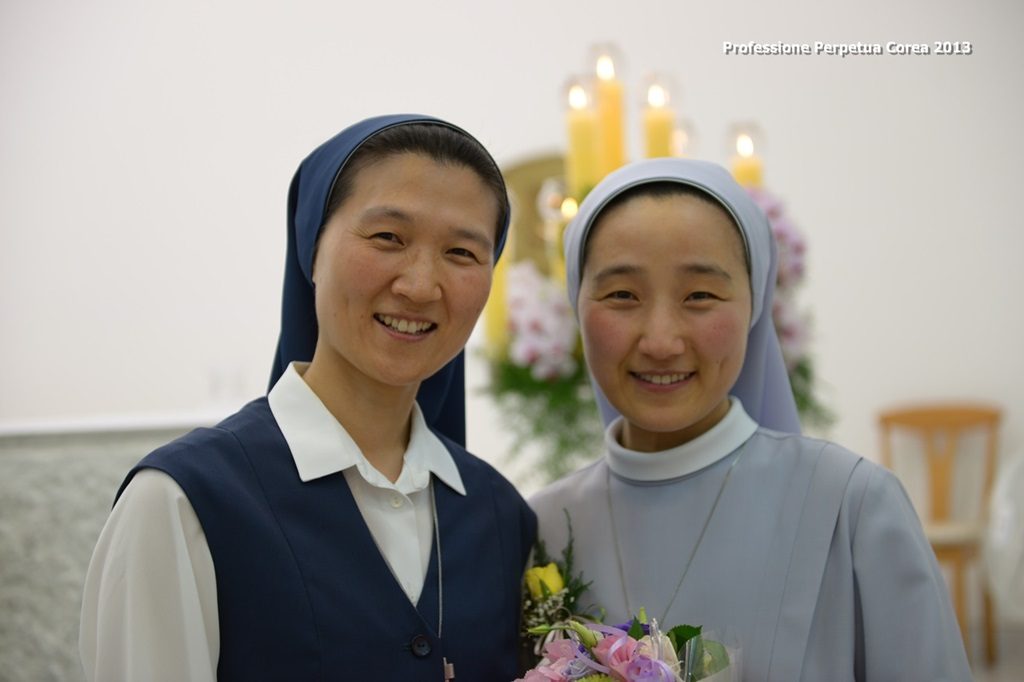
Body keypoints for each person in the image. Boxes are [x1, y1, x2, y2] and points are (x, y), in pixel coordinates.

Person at [80, 114, 536, 681]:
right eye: (388, 238)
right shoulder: (183, 503)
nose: (420, 286)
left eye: (462, 252)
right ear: (310, 246)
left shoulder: (502, 518)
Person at [529, 158, 971, 680]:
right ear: (577, 304)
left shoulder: (852, 506)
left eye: (700, 295)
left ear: (756, 305)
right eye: (622, 295)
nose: (661, 341)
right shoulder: (543, 527)